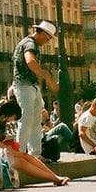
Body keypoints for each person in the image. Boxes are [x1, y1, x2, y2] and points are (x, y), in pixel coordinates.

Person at [0, 102, 68, 186]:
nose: (12, 121)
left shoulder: (0, 122)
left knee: (26, 156)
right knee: (21, 161)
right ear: (10, 114)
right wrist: (12, 151)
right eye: (14, 118)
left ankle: (54, 176)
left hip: (0, 151)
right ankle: (54, 178)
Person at [11, 20, 60, 156]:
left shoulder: (29, 43)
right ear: (41, 33)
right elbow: (30, 61)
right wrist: (47, 76)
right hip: (25, 86)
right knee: (27, 119)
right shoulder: (30, 44)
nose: (48, 41)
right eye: (48, 37)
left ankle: (35, 154)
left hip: (31, 86)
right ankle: (19, 154)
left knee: (35, 120)